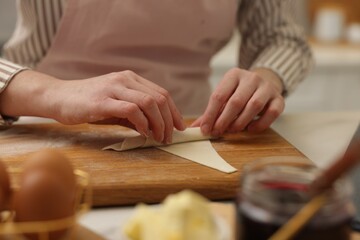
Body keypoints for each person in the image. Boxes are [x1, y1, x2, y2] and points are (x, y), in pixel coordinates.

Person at [0, 0, 313, 144]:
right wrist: (55, 93)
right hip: (43, 131)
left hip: (197, 133)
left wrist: (268, 75)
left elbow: (282, 37)